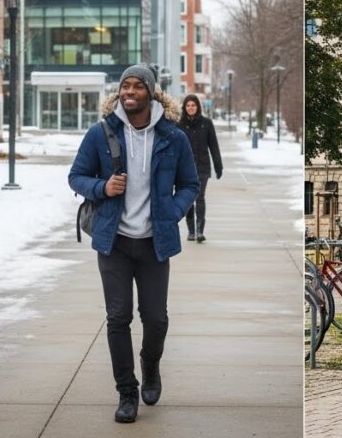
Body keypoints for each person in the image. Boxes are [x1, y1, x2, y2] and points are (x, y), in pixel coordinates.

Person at [69, 65, 199, 423]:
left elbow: (190, 184)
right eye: (124, 85)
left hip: (155, 243)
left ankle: (150, 365)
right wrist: (102, 187)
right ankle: (127, 392)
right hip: (114, 242)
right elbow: (76, 176)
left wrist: (172, 211)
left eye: (137, 86)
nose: (129, 91)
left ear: (151, 92)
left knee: (156, 319)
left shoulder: (173, 137)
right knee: (118, 318)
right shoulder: (101, 133)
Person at [178, 95, 222, 243]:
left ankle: (200, 231)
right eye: (188, 105)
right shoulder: (179, 125)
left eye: (193, 105)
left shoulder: (207, 123)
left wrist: (218, 166)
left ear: (198, 107)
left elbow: (213, 146)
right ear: (184, 108)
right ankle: (191, 231)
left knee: (200, 197)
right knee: (189, 199)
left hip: (202, 166)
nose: (191, 108)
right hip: (184, 169)